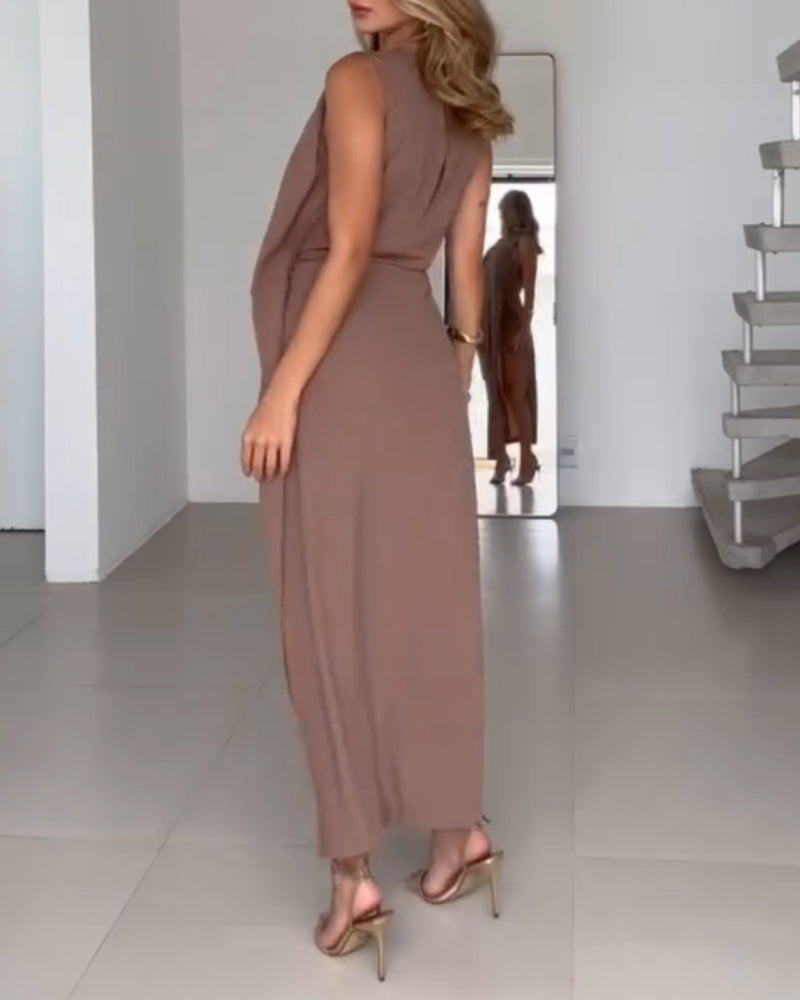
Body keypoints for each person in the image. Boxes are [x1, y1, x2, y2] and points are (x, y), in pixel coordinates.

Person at [241, 0, 512, 979]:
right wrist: (456, 365)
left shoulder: (356, 81)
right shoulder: (471, 113)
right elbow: (463, 260)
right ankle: (456, 835)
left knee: (329, 607)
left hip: (340, 358)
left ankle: (351, 877)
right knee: (429, 602)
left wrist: (282, 391)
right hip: (414, 353)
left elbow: (349, 247)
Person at [480, 190, 543, 486]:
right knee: (496, 393)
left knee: (516, 394)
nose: (501, 216)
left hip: (512, 326)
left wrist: (525, 327)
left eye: (503, 210)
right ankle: (502, 458)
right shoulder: (499, 245)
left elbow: (529, 290)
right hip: (491, 325)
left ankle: (527, 461)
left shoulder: (524, 244)